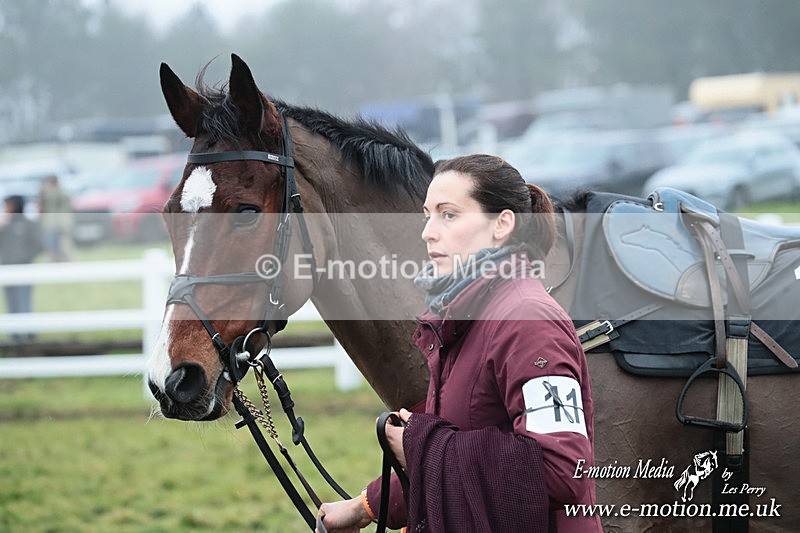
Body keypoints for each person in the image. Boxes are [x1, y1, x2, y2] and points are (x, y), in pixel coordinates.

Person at [317, 155, 601, 532]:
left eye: (448, 215)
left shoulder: (528, 321)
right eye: (427, 215)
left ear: (502, 224)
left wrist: (422, 445)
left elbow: (562, 473)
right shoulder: (464, 318)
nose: (428, 232)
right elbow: (458, 459)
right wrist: (366, 506)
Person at [0, 195, 43, 342]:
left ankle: (29, 334)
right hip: (6, 269)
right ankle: (14, 334)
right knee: (10, 302)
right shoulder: (4, 225)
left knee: (24, 300)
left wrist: (24, 259)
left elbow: (38, 245)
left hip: (24, 269)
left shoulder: (29, 224)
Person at [38, 175, 73, 262]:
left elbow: (42, 207)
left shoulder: (51, 193)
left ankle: (60, 261)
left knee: (60, 244)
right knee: (60, 244)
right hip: (58, 222)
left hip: (55, 223)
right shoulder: (62, 192)